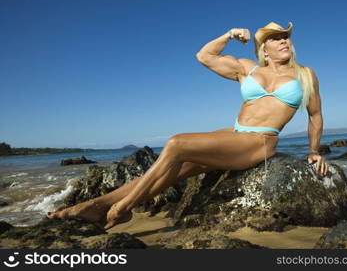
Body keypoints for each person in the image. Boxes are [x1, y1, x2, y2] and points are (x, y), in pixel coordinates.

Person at [47, 21, 329, 230]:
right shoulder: (248, 68)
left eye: (286, 38)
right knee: (173, 169)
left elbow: (315, 115)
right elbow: (204, 56)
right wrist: (229, 35)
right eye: (276, 39)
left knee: (176, 143)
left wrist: (314, 151)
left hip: (260, 142)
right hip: (233, 135)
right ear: (263, 48)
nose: (284, 42)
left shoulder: (305, 74)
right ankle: (91, 207)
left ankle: (123, 208)